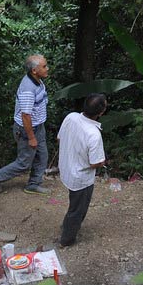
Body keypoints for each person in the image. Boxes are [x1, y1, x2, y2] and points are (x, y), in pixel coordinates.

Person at [0, 54, 52, 195]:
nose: (47, 69)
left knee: (42, 156)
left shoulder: (37, 80)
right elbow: (25, 115)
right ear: (34, 70)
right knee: (24, 163)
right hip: (28, 129)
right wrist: (31, 137)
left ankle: (33, 184)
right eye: (44, 66)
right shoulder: (28, 88)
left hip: (38, 126)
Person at [57, 93, 108, 247]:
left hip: (66, 168)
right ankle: (67, 239)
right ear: (101, 112)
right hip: (80, 178)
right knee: (78, 210)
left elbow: (59, 138)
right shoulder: (93, 134)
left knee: (74, 205)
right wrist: (103, 162)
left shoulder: (71, 117)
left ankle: (67, 226)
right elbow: (95, 163)